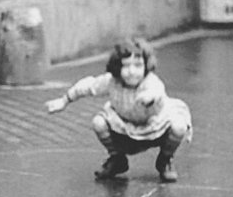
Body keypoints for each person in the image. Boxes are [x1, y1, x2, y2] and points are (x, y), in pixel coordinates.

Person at [45, 37, 192, 183]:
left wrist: (150, 97)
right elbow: (87, 86)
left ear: (146, 66)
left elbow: (157, 92)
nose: (132, 72)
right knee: (99, 122)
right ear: (117, 67)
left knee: (179, 126)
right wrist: (64, 101)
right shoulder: (111, 81)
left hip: (156, 125)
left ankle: (165, 160)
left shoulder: (151, 82)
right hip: (124, 127)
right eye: (126, 66)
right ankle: (117, 159)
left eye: (138, 65)